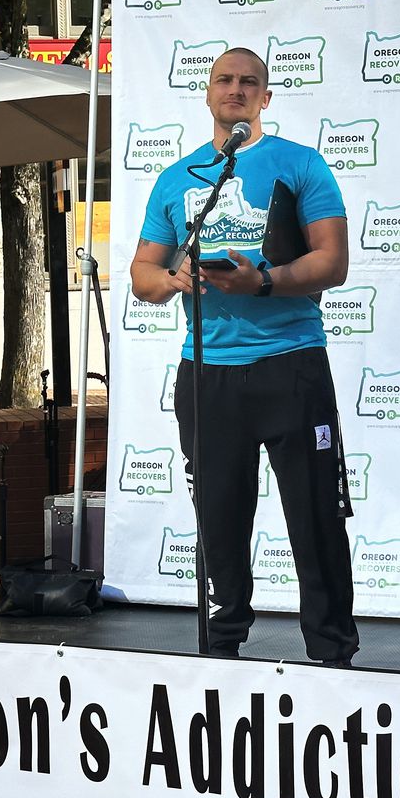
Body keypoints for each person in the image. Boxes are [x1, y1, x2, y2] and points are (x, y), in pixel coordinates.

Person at [130, 46, 359, 665]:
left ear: (266, 97)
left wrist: (261, 280)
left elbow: (332, 263)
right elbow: (141, 277)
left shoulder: (300, 165)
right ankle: (221, 644)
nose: (235, 90)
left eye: (248, 82)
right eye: (224, 81)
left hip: (291, 365)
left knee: (314, 516)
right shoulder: (178, 179)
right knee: (220, 521)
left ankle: (333, 653)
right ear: (207, 94)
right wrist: (174, 277)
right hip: (207, 372)